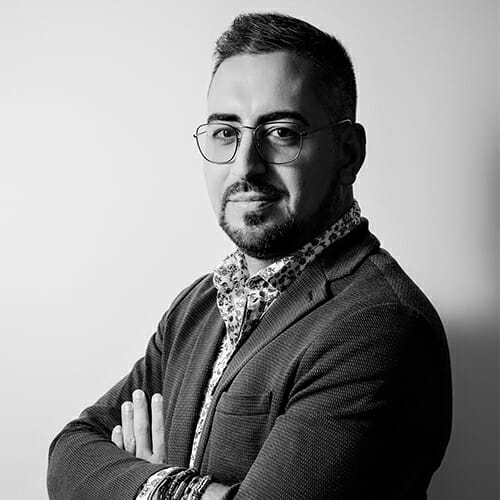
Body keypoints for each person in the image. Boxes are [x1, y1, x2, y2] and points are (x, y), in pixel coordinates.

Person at [47, 12, 452, 500]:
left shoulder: (379, 325)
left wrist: (149, 485)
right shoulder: (200, 305)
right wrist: (178, 488)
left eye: (281, 132)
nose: (245, 165)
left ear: (347, 152)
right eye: (225, 132)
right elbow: (69, 455)